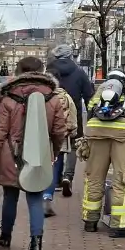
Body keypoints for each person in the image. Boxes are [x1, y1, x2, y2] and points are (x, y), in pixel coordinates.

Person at [0, 57, 70, 250]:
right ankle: (36, 246)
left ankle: (5, 237)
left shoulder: (7, 98)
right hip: (39, 153)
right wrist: (53, 151)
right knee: (35, 198)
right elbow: (59, 131)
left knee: (10, 196)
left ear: (18, 71)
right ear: (42, 71)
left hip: (10, 154)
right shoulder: (53, 98)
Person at [80, 72, 125, 238]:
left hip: (96, 132)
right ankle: (120, 225)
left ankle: (90, 221)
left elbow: (90, 109)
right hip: (123, 136)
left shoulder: (100, 91)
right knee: (123, 179)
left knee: (94, 177)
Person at [47, 44, 95, 198]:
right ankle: (68, 176)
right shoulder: (79, 72)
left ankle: (56, 179)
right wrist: (92, 116)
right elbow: (89, 96)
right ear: (70, 56)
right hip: (74, 115)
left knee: (57, 145)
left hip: (53, 114)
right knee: (74, 146)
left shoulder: (49, 71)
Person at [42, 61, 80, 217]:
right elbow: (73, 116)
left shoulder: (40, 96)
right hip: (61, 136)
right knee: (55, 164)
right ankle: (48, 196)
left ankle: (38, 192)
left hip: (41, 135)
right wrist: (72, 132)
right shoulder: (65, 96)